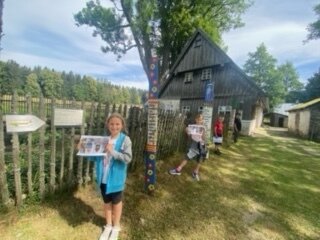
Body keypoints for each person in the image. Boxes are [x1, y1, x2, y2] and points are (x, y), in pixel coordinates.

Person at [80, 113, 132, 240]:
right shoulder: (103, 139)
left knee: (117, 203)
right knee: (107, 202)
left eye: (117, 124)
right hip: (103, 178)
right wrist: (83, 149)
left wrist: (112, 151)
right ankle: (108, 225)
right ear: (108, 125)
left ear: (122, 125)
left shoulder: (125, 140)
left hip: (116, 179)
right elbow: (95, 157)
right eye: (112, 124)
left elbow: (127, 158)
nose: (114, 126)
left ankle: (116, 227)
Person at [168, 114, 207, 181]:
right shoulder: (192, 127)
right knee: (187, 156)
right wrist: (187, 131)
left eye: (201, 120)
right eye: (198, 119)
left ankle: (195, 172)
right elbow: (189, 135)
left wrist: (203, 133)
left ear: (202, 120)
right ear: (196, 120)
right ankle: (178, 170)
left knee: (200, 159)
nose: (199, 121)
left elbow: (203, 138)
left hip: (201, 144)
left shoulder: (203, 128)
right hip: (194, 144)